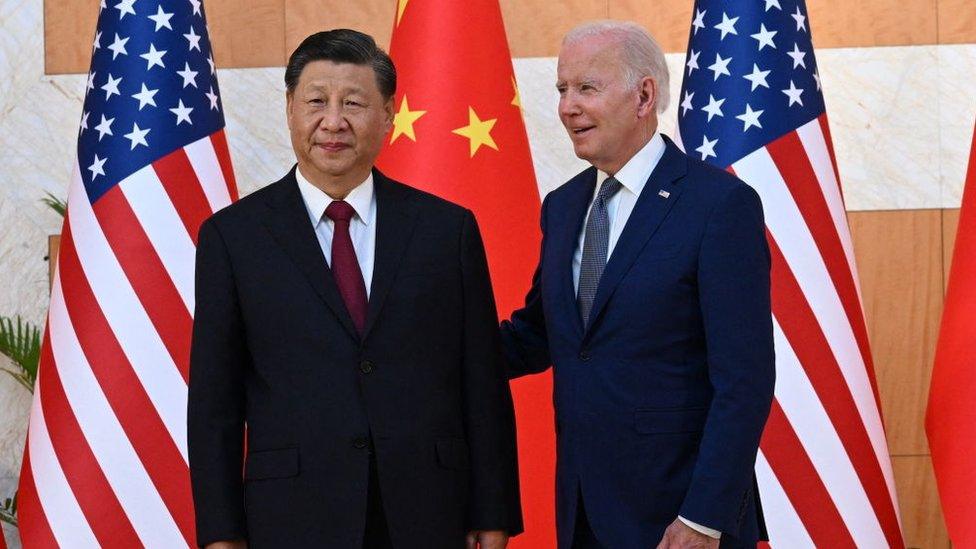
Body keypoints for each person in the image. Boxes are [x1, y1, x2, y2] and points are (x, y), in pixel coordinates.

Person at [188, 29, 522, 549]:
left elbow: (480, 379)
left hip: (429, 509)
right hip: (293, 516)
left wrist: (492, 509)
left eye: (354, 103)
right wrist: (221, 533)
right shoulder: (233, 237)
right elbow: (215, 403)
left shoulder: (446, 230)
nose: (333, 121)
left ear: (388, 114)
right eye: (317, 101)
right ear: (290, 109)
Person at [500, 21, 775, 549]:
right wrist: (429, 342)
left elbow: (745, 381)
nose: (566, 107)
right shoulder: (562, 207)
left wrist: (704, 517)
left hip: (680, 519)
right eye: (561, 89)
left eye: (586, 88)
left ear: (644, 94)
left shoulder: (717, 206)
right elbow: (542, 336)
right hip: (583, 512)